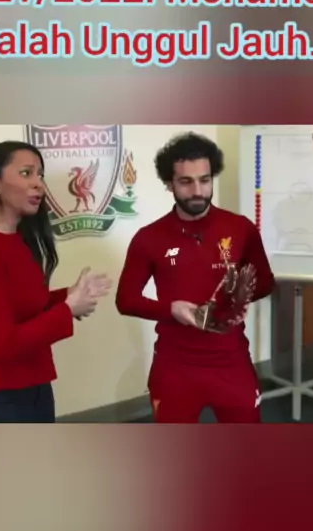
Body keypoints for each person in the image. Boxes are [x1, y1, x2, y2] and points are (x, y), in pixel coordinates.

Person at [0, 140, 111, 423]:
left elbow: (22, 307)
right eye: (26, 173)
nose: (39, 184)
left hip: (31, 389)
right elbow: (1, 342)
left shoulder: (19, 241)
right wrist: (68, 309)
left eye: (40, 175)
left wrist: (68, 296)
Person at [115, 132, 275, 423]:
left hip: (231, 360)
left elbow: (266, 281)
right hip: (175, 365)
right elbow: (125, 300)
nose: (198, 191)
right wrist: (171, 309)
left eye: (205, 180)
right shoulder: (148, 238)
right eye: (186, 182)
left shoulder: (240, 228)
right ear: (169, 184)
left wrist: (239, 296)